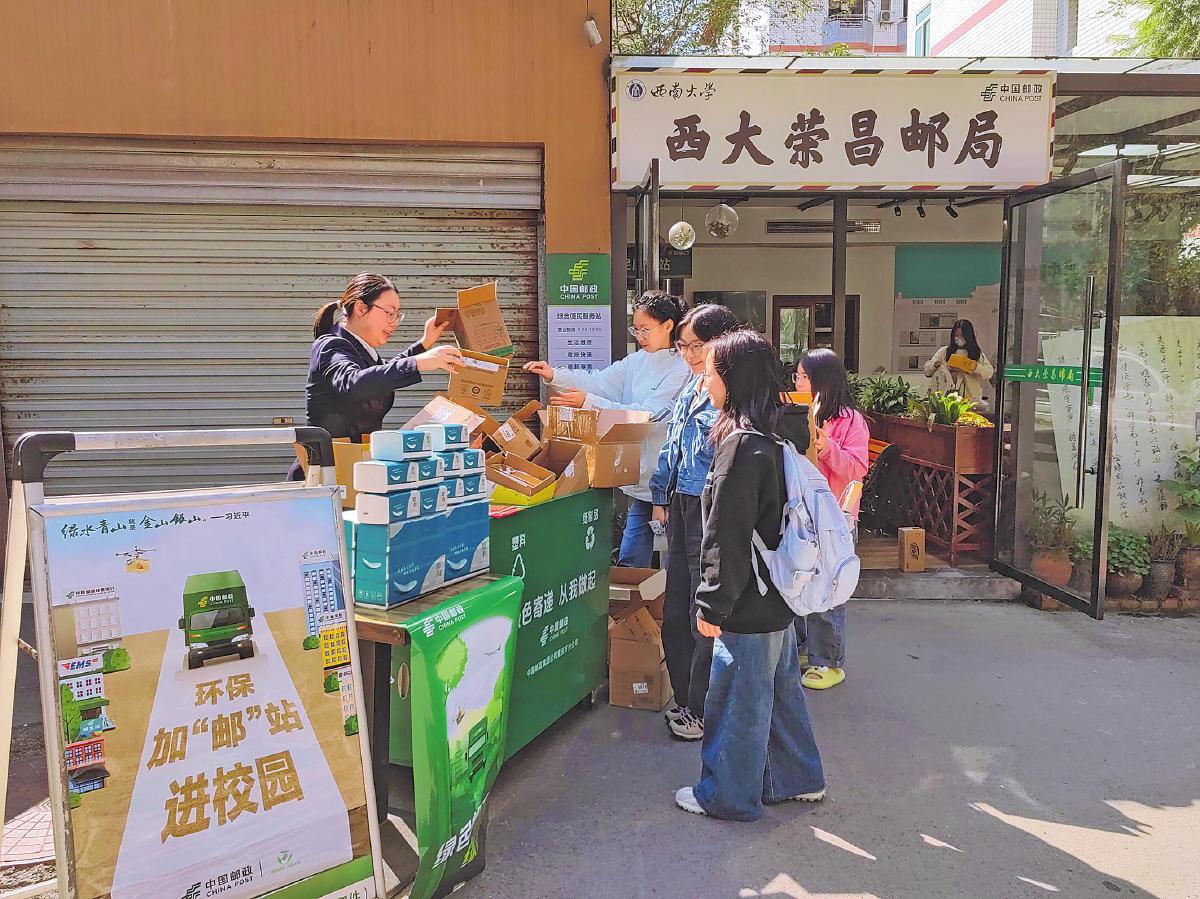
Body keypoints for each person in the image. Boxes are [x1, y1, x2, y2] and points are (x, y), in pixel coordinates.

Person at [674, 330, 825, 821]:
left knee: (738, 698)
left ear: (732, 379)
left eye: (710, 373)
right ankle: (797, 778)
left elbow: (727, 533)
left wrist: (712, 602)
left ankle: (727, 795)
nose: (705, 382)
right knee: (781, 694)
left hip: (748, 596)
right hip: (778, 589)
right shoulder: (779, 435)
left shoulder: (739, 445)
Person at [524, 290, 690, 566]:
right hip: (641, 477)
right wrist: (555, 375)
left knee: (675, 561)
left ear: (668, 326)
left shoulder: (682, 367)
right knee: (633, 559)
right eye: (635, 329)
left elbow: (650, 416)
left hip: (670, 479)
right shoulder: (637, 361)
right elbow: (600, 381)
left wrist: (589, 402)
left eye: (645, 329)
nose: (640, 336)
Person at [649, 304, 741, 741]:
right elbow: (672, 444)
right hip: (680, 503)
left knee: (701, 611)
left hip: (709, 506)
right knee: (676, 608)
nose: (688, 355)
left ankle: (703, 708)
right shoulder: (691, 386)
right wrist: (659, 496)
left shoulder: (730, 394)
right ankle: (687, 700)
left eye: (696, 346)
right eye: (683, 346)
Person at [297, 273, 463, 477]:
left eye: (397, 315)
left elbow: (382, 372)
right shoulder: (331, 345)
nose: (394, 322)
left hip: (353, 469)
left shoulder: (363, 350)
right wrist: (418, 362)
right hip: (324, 476)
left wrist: (424, 344)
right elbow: (353, 382)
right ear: (361, 308)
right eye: (389, 312)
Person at [792, 349, 869, 690]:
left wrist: (827, 448)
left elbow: (857, 469)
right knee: (799, 582)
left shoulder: (850, 420)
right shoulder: (797, 413)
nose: (798, 382)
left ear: (824, 380)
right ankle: (805, 650)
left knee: (829, 587)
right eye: (796, 376)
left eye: (804, 377)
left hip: (836, 517)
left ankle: (829, 661)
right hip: (802, 513)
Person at [923, 318, 995, 405]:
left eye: (962, 336)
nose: (959, 338)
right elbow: (927, 371)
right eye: (956, 336)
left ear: (968, 336)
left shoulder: (976, 353)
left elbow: (989, 372)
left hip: (970, 401)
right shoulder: (944, 351)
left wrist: (974, 367)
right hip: (946, 399)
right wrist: (936, 365)